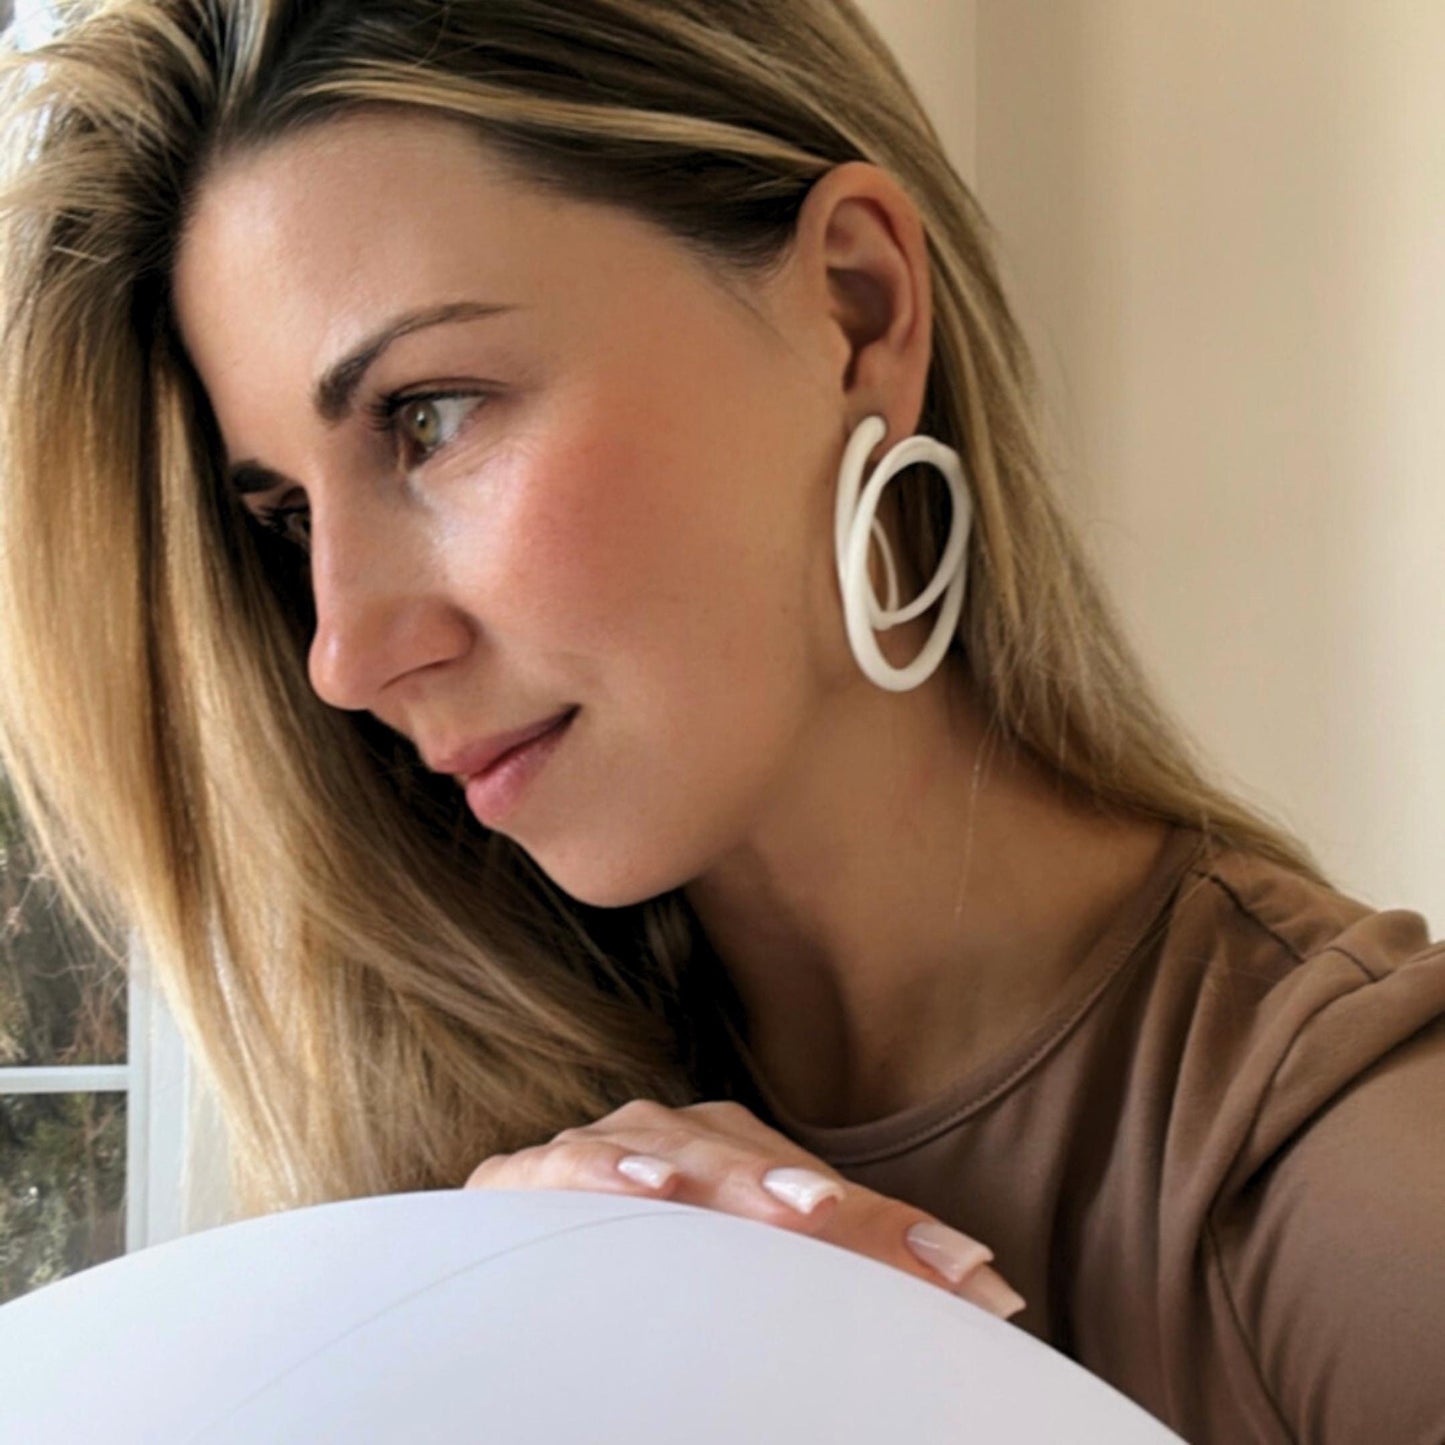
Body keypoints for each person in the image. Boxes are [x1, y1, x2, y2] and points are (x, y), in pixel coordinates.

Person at [0, 2, 1440, 1440]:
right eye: (288, 515)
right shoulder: (467, 1163)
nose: (346, 651)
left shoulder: (1360, 1192)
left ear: (856, 312)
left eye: (428, 416)